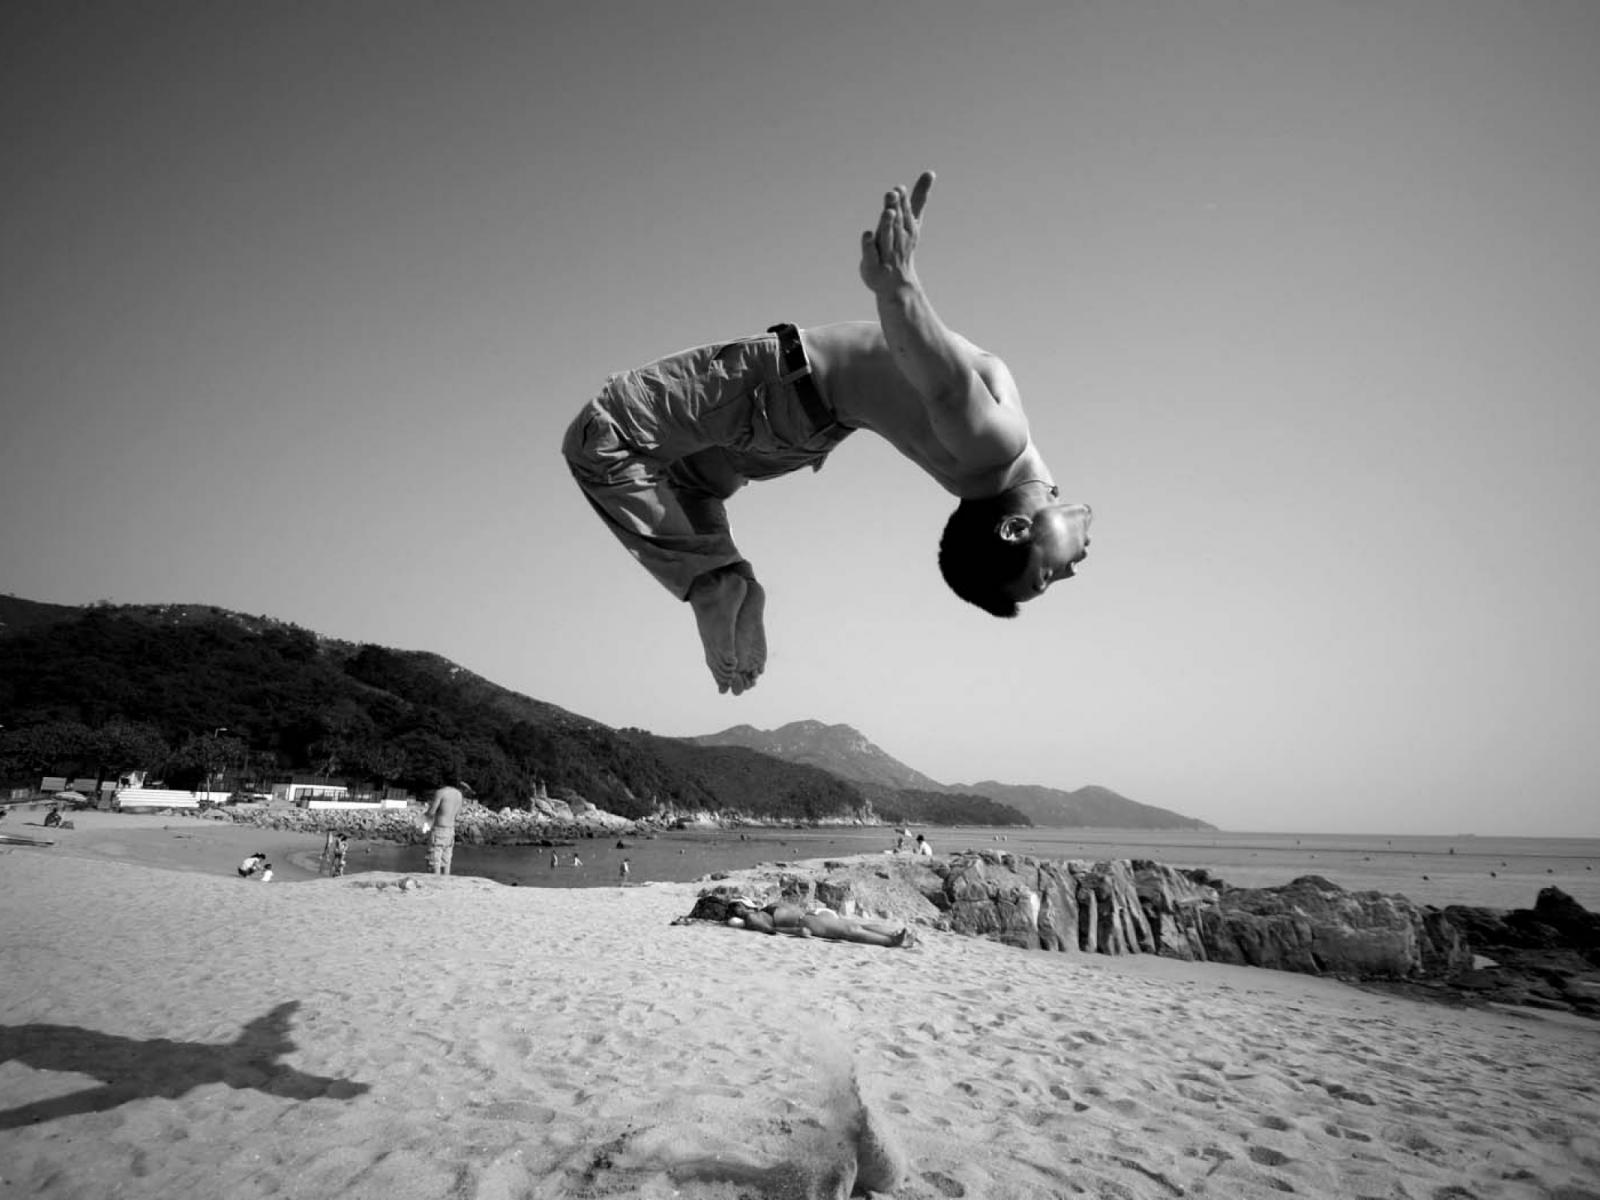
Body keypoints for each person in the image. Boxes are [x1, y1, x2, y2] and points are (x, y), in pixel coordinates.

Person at [563, 171, 1093, 695]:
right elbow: (943, 390)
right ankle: (727, 580)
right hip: (802, 434)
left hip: (781, 390)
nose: (1070, 572)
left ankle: (710, 582)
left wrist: (900, 288)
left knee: (599, 435)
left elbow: (947, 389)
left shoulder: (995, 449)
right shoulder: (992, 464)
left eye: (1047, 576)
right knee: (688, 485)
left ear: (1015, 529)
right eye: (1045, 578)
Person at [727, 899, 909, 948]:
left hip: (811, 915)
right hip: (804, 922)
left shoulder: (760, 909)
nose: (741, 909)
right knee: (850, 930)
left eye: (740, 905)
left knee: (858, 925)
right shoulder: (753, 918)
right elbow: (770, 930)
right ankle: (891, 942)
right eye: (738, 909)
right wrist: (795, 931)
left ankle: (894, 935)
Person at [420, 785, 464, 876]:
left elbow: (431, 812)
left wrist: (422, 817)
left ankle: (435, 882)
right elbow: (457, 814)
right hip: (450, 831)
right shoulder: (459, 794)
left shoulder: (441, 792)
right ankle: (445, 882)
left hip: (439, 829)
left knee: (434, 861)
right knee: (446, 862)